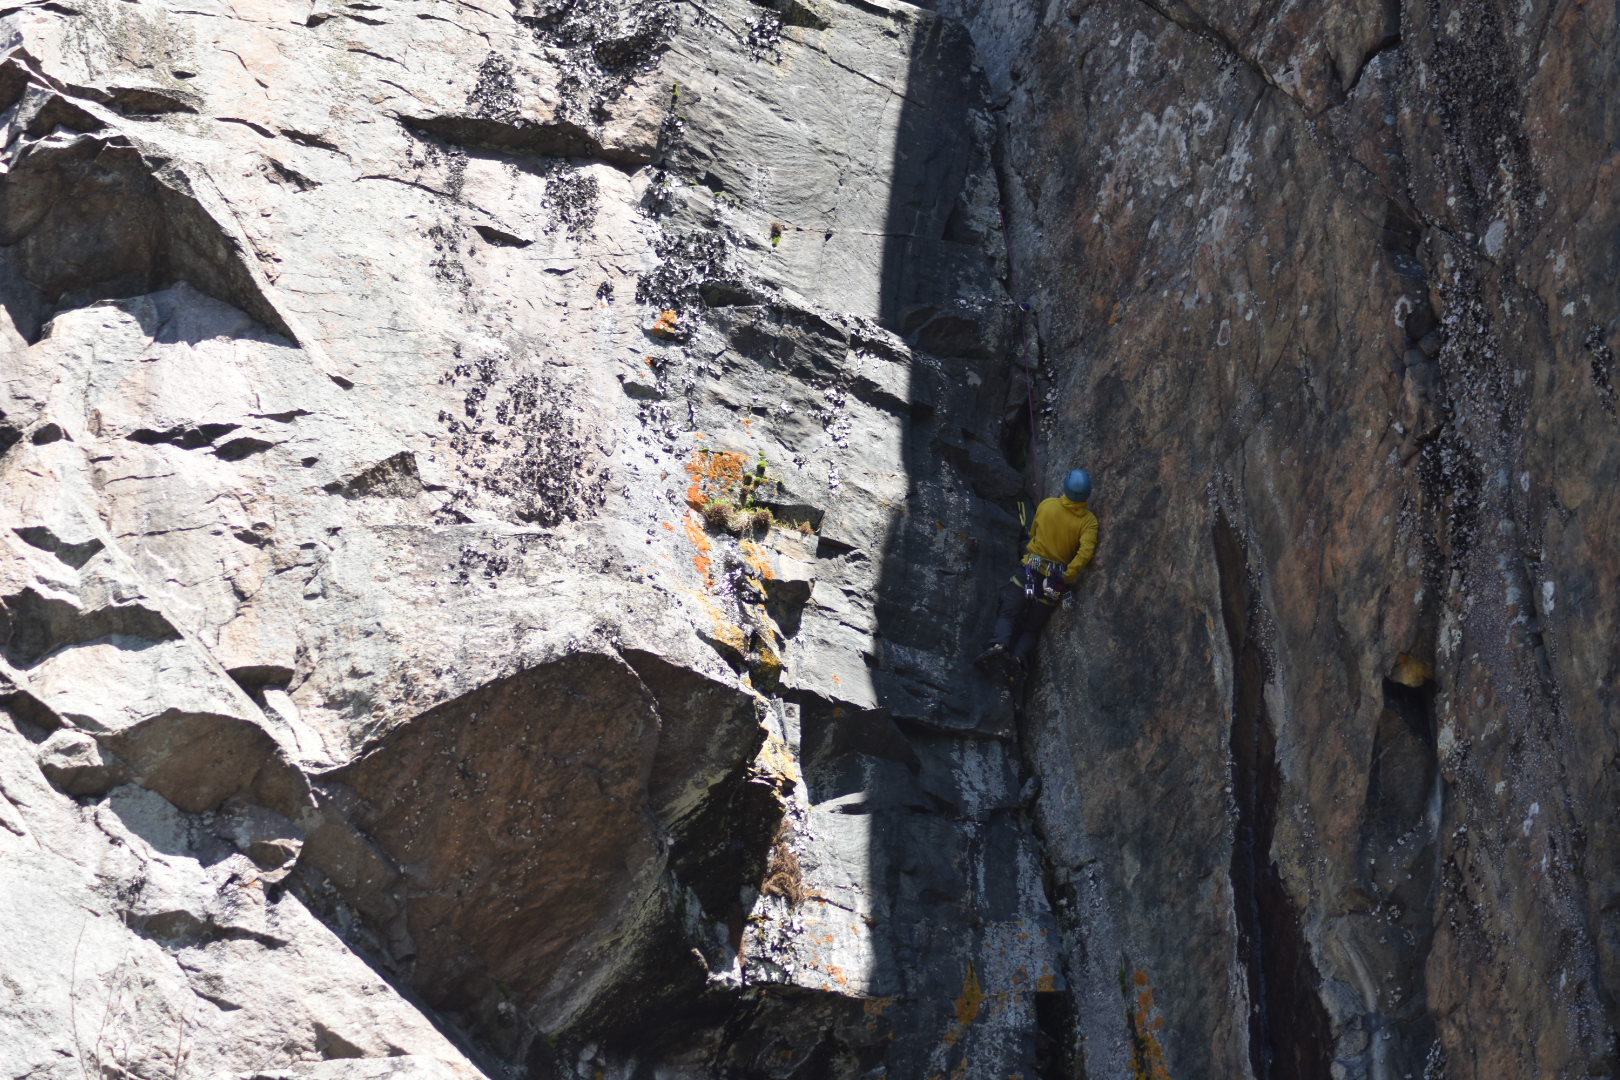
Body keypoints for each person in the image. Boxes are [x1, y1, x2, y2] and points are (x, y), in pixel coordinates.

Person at [976, 468, 1098, 679]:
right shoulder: (1089, 522)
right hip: (1053, 581)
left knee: (1008, 613)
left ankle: (999, 646)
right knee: (1032, 629)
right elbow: (1085, 553)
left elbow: (1033, 532)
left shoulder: (1047, 505)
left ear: (1066, 487)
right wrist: (1068, 576)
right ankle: (1018, 660)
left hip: (1030, 570)